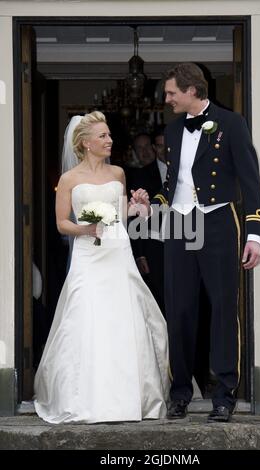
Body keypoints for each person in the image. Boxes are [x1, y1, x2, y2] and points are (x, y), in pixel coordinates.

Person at [131, 63, 260, 423]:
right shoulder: (173, 130)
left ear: (192, 90)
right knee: (179, 310)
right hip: (178, 224)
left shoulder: (231, 123)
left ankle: (224, 396)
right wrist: (151, 206)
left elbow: (251, 182)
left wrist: (255, 234)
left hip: (219, 221)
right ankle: (180, 394)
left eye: (172, 92)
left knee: (223, 309)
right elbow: (171, 186)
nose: (167, 98)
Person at [34, 111, 169, 424]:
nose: (110, 140)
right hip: (88, 254)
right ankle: (86, 398)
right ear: (85, 143)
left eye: (109, 135)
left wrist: (139, 204)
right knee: (86, 315)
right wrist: (85, 229)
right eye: (103, 136)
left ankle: (130, 398)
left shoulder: (119, 173)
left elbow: (122, 213)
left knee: (124, 316)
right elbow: (61, 223)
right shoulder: (69, 180)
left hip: (118, 250)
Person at [126, 132, 166, 313]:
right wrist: (139, 253)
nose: (145, 152)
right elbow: (134, 217)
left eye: (147, 147)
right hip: (152, 246)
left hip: (183, 241)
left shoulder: (183, 170)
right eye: (139, 149)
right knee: (157, 297)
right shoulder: (139, 175)